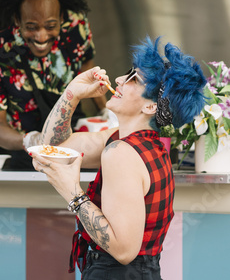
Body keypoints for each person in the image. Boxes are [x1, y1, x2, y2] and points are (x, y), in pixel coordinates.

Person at [31, 37, 207, 279]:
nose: (119, 80)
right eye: (128, 73)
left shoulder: (122, 153)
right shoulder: (133, 142)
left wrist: (71, 192)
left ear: (151, 107)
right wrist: (72, 93)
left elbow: (124, 251)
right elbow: (51, 147)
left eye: (134, 79)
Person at [0, 0, 106, 171]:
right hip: (27, 161)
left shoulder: (75, 29)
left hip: (76, 154)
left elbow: (87, 67)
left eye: (51, 26)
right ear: (17, 19)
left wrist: (104, 109)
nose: (41, 36)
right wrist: (30, 141)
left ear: (62, 18)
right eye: (31, 27)